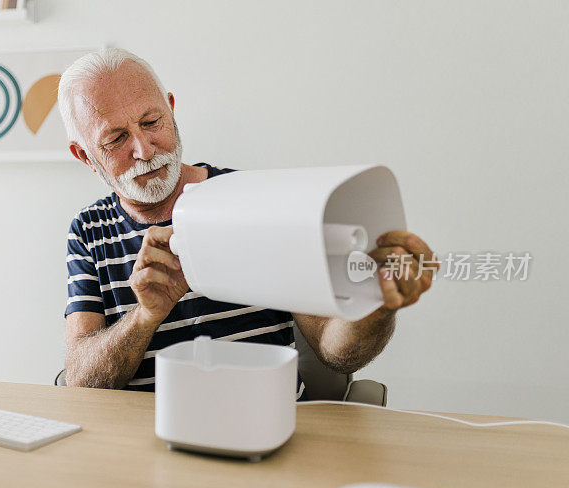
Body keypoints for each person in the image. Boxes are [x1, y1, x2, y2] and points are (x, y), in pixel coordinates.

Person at [58, 48, 436, 392]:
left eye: (152, 121)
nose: (143, 150)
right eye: (116, 139)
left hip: (269, 425)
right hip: (152, 438)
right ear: (85, 156)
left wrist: (378, 306)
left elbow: (335, 351)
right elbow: (79, 380)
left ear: (171, 110)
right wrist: (146, 316)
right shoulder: (89, 230)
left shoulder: (255, 201)